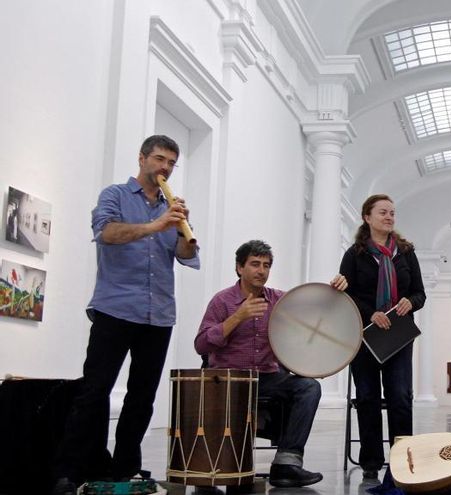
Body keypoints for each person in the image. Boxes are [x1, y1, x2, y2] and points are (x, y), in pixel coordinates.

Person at [52, 135, 200, 495]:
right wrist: (156, 225)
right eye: (160, 159)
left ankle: (125, 470)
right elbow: (106, 233)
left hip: (159, 313)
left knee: (142, 397)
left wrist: (183, 232)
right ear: (142, 158)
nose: (164, 168)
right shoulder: (115, 195)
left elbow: (184, 254)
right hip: (115, 308)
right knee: (95, 391)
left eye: (170, 163)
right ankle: (70, 471)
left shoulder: (170, 205)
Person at [194, 240, 347, 488]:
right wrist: (238, 317)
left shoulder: (278, 299)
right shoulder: (222, 301)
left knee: (308, 387)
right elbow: (201, 345)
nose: (261, 270)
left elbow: (314, 309)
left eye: (266, 265)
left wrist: (335, 290)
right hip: (230, 379)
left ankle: (286, 464)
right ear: (239, 268)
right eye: (255, 264)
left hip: (266, 377)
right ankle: (217, 460)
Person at [338, 194, 426, 479]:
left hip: (398, 335)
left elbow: (420, 293)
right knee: (367, 397)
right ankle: (371, 461)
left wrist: (410, 302)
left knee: (400, 396)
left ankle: (402, 459)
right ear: (367, 218)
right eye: (383, 213)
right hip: (364, 335)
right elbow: (345, 295)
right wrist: (370, 313)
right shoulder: (354, 254)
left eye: (392, 213)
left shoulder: (406, 252)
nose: (389, 217)